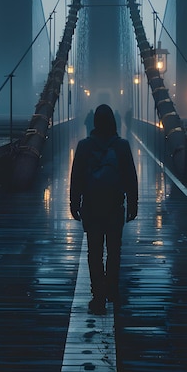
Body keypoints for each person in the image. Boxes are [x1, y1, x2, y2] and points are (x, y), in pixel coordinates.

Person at [70, 104, 138, 314]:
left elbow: (76, 178)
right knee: (114, 251)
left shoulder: (83, 146)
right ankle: (112, 290)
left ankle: (97, 293)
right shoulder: (122, 146)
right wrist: (133, 205)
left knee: (95, 252)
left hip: (91, 207)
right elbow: (130, 178)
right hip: (114, 206)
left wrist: (74, 203)